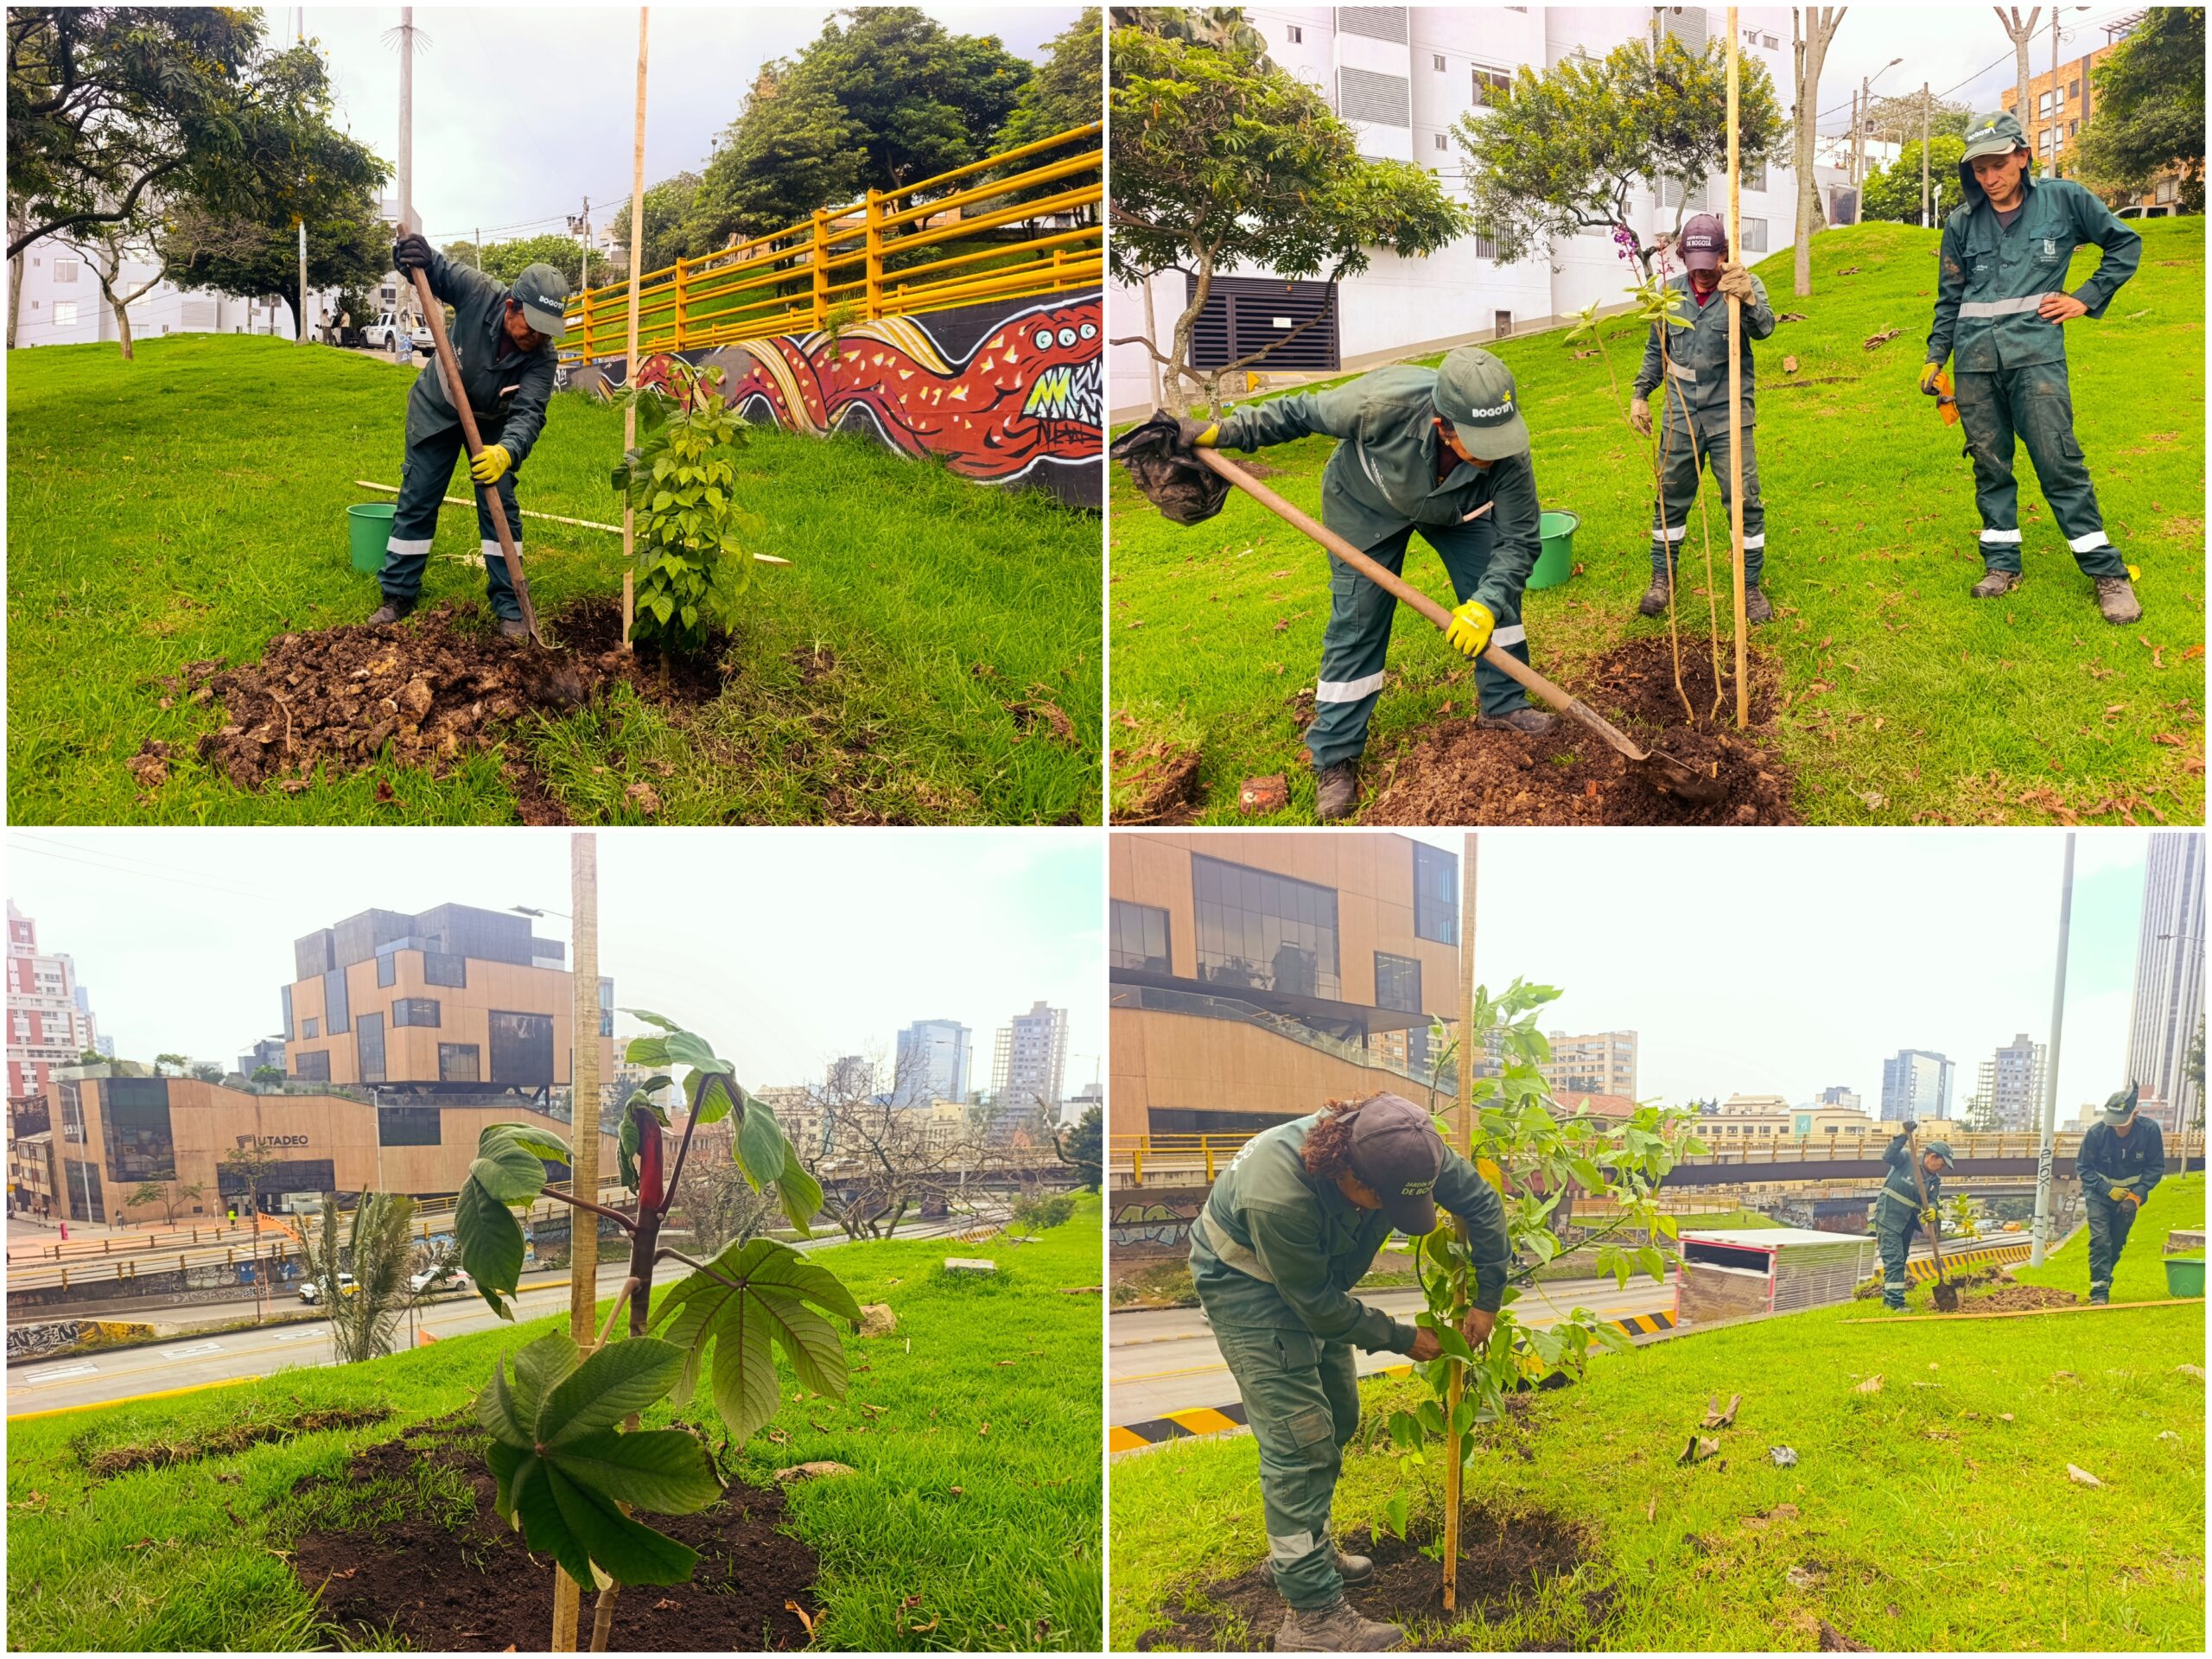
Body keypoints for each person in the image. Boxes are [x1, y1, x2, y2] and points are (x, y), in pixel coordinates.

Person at [1169, 347, 1553, 822]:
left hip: (1457, 510)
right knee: (1358, 622)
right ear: (1442, 425)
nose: (1492, 454)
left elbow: (1519, 541)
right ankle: (1335, 757)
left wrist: (1484, 606)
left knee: (1497, 597)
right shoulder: (1380, 402)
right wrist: (1224, 432)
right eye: (1479, 445)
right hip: (1366, 506)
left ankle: (1504, 705)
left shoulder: (1506, 449)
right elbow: (1299, 413)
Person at [1190, 1092, 1510, 1652]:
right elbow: (1315, 1305)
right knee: (1300, 1441)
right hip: (1246, 1283)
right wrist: (1403, 1338)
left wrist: (1488, 1300)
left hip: (1316, 1278)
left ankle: (1304, 1553)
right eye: (1381, 1201)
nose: (1390, 1210)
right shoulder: (1279, 1195)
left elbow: (1481, 1203)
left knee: (1340, 1416)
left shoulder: (1408, 1150)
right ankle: (1312, 1618)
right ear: (1346, 1172)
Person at [1923, 109, 2143, 620]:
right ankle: (2001, 563)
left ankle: (2107, 574)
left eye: (1998, 164)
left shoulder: (2064, 200)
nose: (1990, 178)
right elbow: (1950, 298)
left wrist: (2085, 297)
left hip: (2036, 359)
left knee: (2058, 462)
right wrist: (1936, 357)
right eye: (1979, 169)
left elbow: (2124, 243)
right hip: (1975, 363)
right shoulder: (1960, 223)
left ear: (2023, 157)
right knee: (1989, 464)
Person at [367, 234, 569, 639]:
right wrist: (412, 255)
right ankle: (397, 595)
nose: (538, 338)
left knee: (500, 505)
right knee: (419, 495)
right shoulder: (480, 292)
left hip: (493, 422)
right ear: (511, 306)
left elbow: (529, 414)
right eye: (532, 327)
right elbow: (436, 269)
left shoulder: (542, 358)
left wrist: (505, 453)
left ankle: (511, 606)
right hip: (439, 405)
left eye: (547, 332)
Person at [1629, 213, 1776, 623]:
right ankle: (1663, 578)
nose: (1703, 273)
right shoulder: (1669, 294)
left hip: (1730, 410)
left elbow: (1765, 329)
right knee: (1670, 497)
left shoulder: (1743, 283)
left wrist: (1747, 299)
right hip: (1681, 412)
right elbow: (1656, 349)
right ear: (1682, 257)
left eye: (1710, 263)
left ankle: (1749, 586)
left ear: (1723, 253)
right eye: (1695, 266)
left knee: (1744, 500)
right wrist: (1640, 394)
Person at [2077, 1083, 2164, 1304]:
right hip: (2099, 1193)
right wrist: (2107, 1189)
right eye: (2114, 1123)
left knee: (2116, 1242)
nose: (2117, 1128)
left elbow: (2155, 1168)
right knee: (2100, 1240)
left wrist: (2136, 1196)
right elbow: (2084, 1168)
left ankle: (2104, 1277)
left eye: (2122, 1123)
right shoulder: (2096, 1133)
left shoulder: (2150, 1131)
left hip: (2131, 1196)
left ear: (2135, 1114)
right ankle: (2099, 1293)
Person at [1872, 1122, 1953, 1311]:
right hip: (1889, 1217)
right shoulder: (1907, 1159)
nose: (1941, 1168)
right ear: (1932, 1157)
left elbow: (1933, 1200)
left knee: (1900, 1260)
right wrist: (1902, 1135)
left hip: (1908, 1223)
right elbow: (1888, 1155)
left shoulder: (1934, 1180)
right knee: (1894, 1259)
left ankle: (1889, 1301)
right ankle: (1896, 1304)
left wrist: (1932, 1209)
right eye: (1942, 1164)